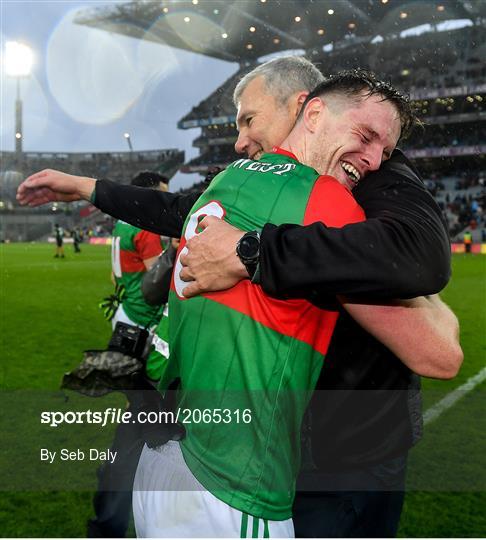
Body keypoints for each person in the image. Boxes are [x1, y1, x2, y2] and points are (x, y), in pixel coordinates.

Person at [16, 58, 462, 537]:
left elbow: (427, 288)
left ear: (302, 110)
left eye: (250, 119)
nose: (240, 140)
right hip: (270, 449)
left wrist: (252, 251)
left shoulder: (371, 177)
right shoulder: (251, 183)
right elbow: (177, 209)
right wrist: (85, 187)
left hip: (352, 450)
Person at [88, 171, 170, 538]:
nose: (166, 205)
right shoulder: (145, 226)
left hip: (125, 322)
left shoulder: (122, 224)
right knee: (146, 426)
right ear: (147, 195)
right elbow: (157, 283)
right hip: (141, 329)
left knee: (137, 423)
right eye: (162, 197)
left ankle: (111, 489)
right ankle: (116, 509)